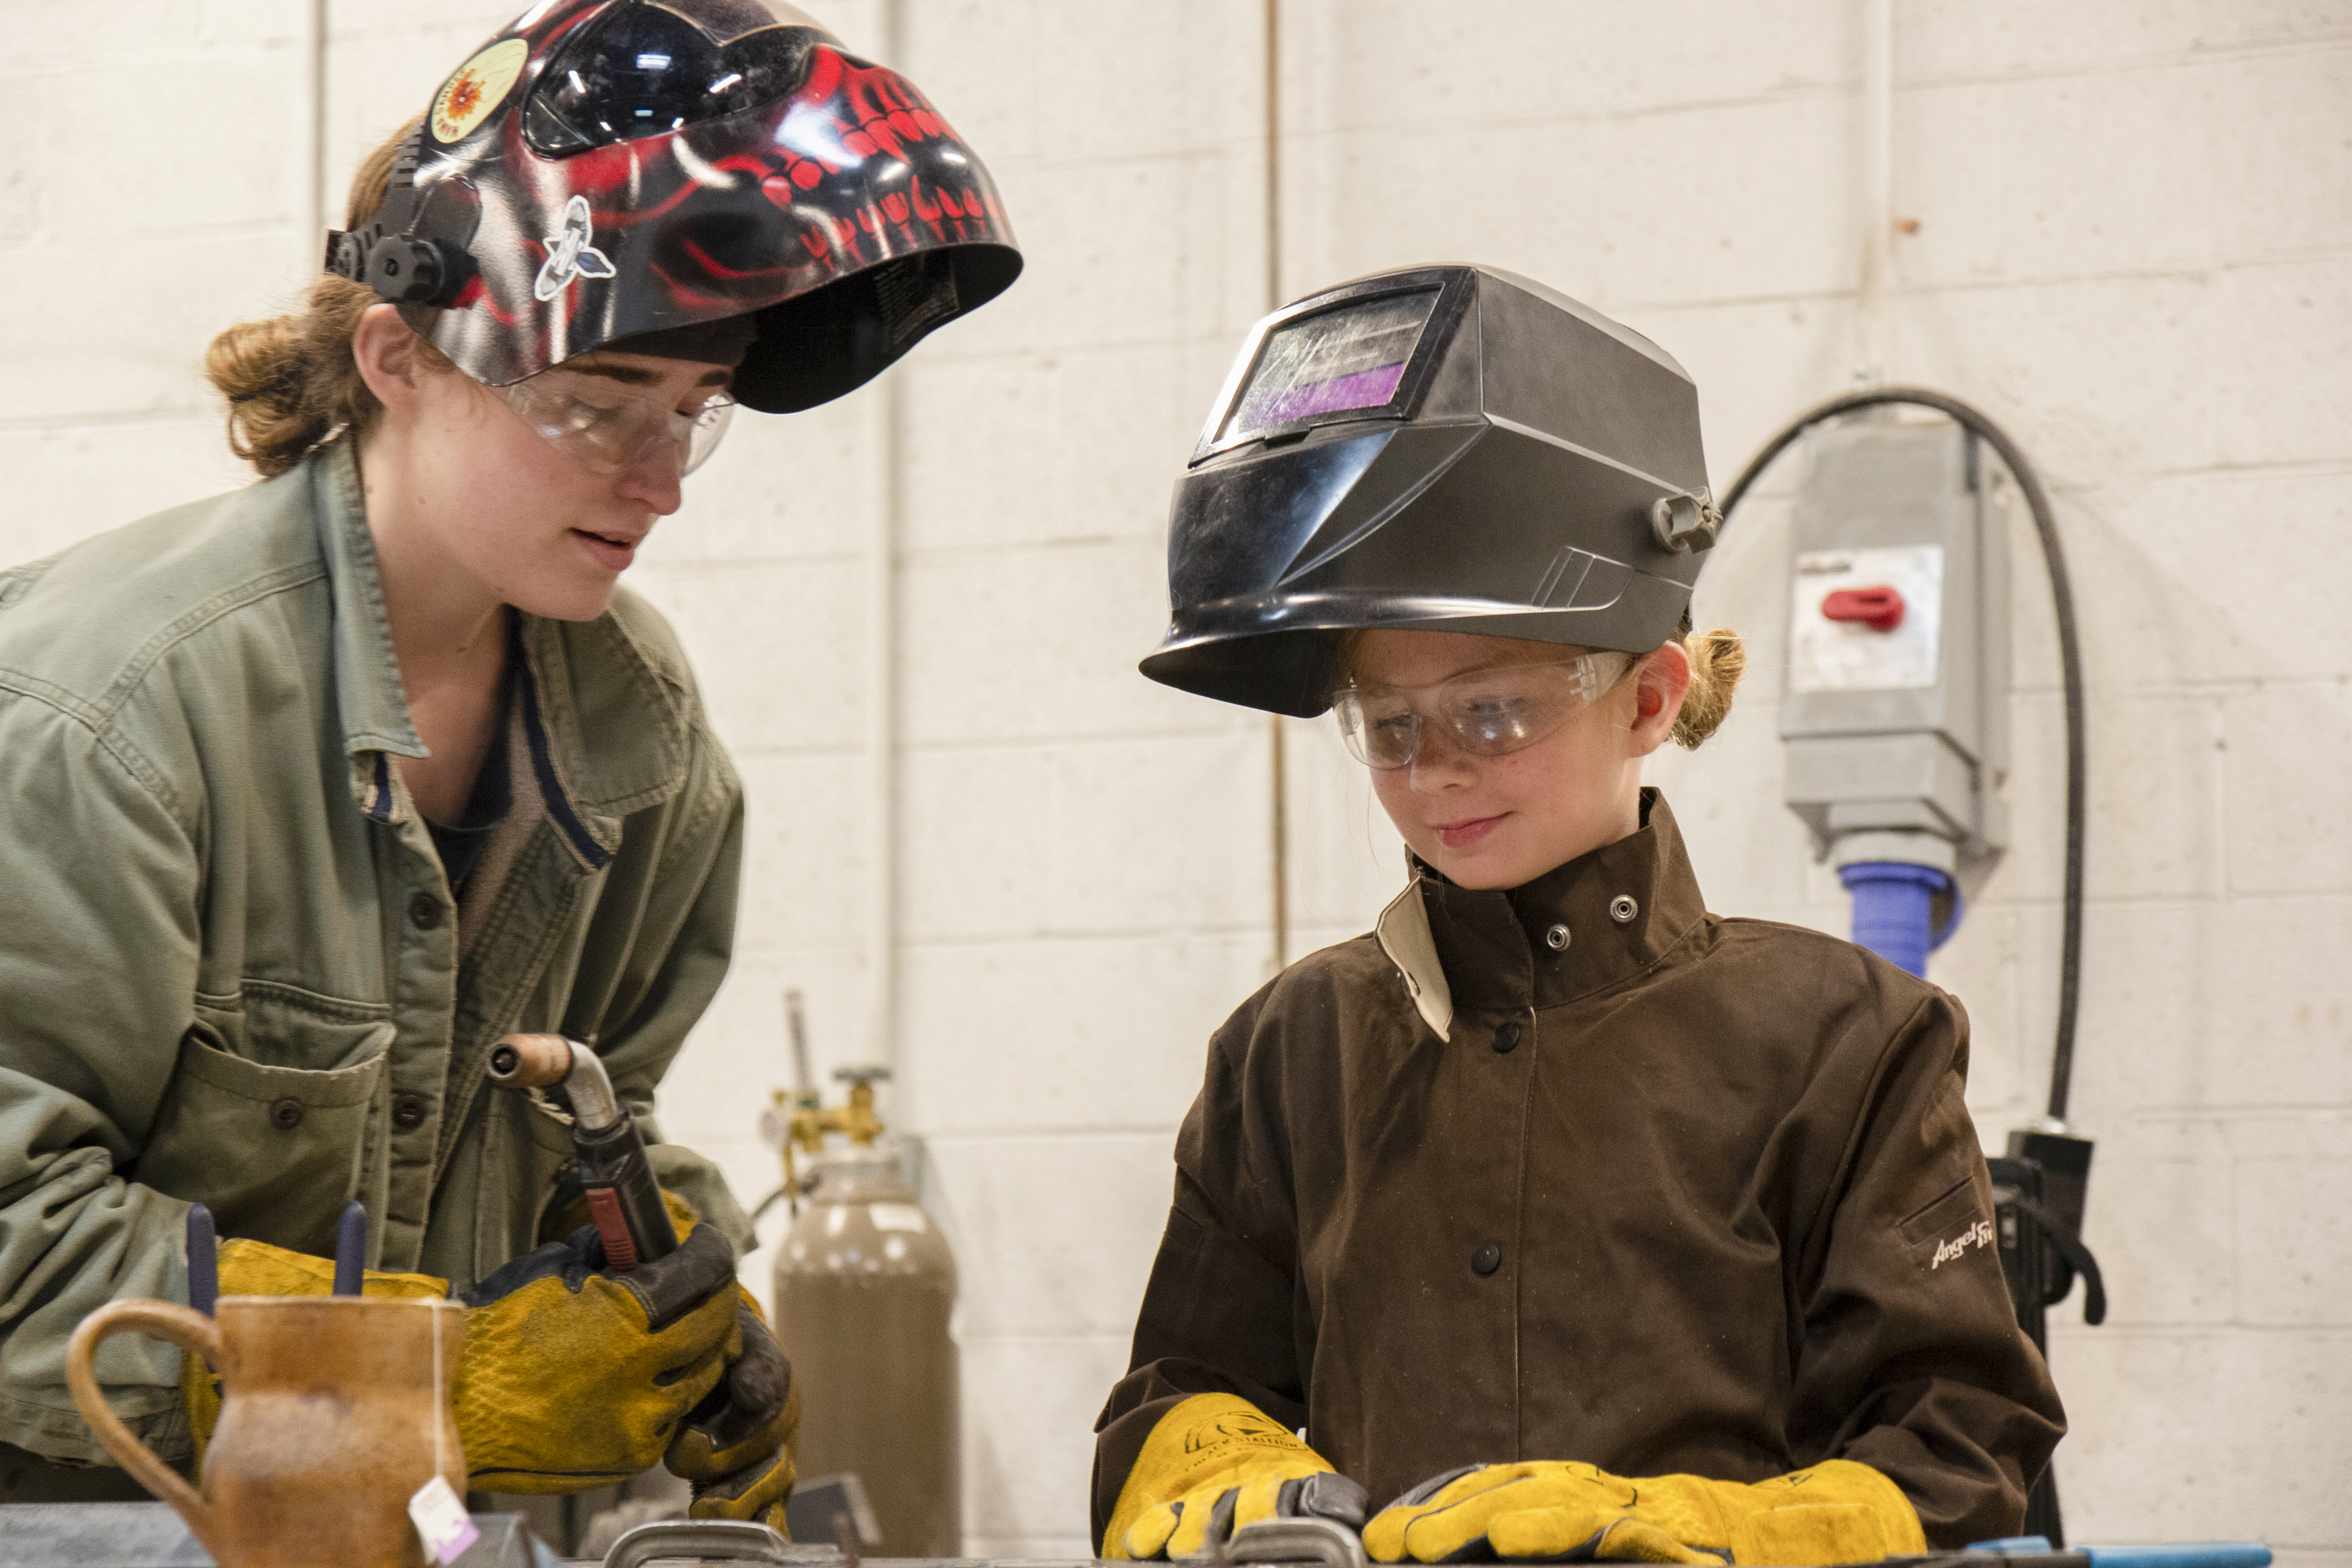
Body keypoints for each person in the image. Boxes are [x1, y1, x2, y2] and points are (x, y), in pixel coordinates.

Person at [0, 0, 1018, 1515]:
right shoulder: (106, 715)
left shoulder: (636, 728)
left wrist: (682, 1292)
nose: (660, 483)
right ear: (396, 357)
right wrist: (428, 1375)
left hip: (423, 1531)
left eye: (695, 413)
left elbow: (592, 1118)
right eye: (594, 407)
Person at [1093, 265, 2063, 1562]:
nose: (1435, 772)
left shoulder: (1849, 1041)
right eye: (1389, 726)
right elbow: (1182, 1393)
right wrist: (1221, 1463)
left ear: (1648, 700)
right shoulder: (1288, 1050)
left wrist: (1690, 1535)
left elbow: (1961, 1450)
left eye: (1492, 711)